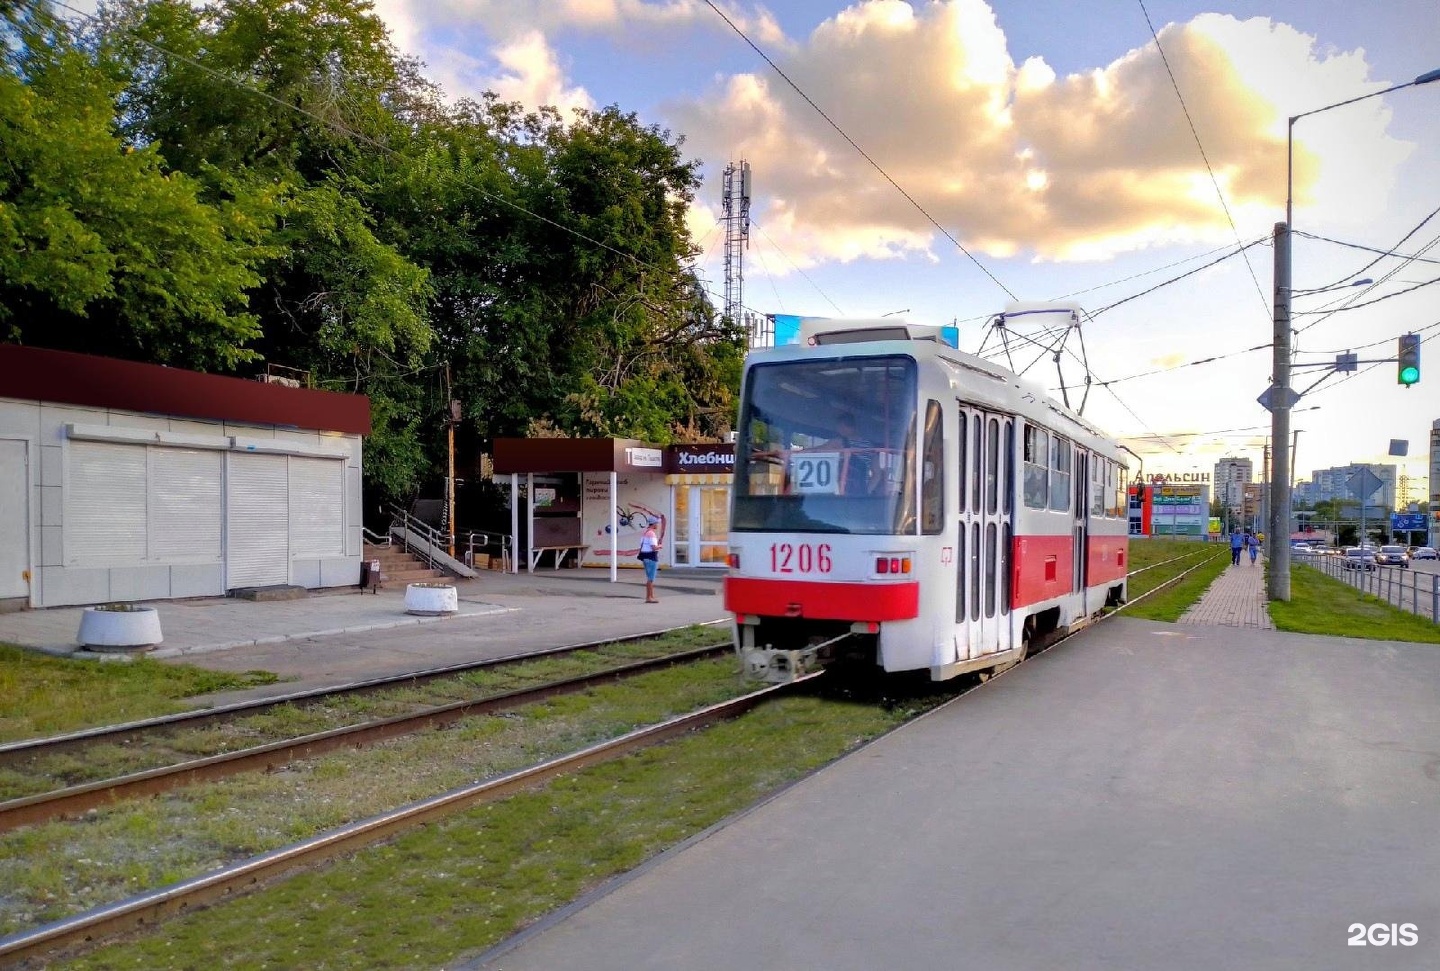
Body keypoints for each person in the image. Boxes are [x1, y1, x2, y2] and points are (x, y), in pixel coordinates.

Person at [638, 516, 662, 603]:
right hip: (651, 557)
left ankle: (651, 596)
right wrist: (659, 546)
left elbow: (642, 545)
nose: (657, 525)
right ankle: (649, 597)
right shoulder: (651, 534)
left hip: (645, 556)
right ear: (654, 524)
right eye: (657, 523)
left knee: (649, 577)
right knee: (651, 578)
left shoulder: (644, 533)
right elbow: (653, 547)